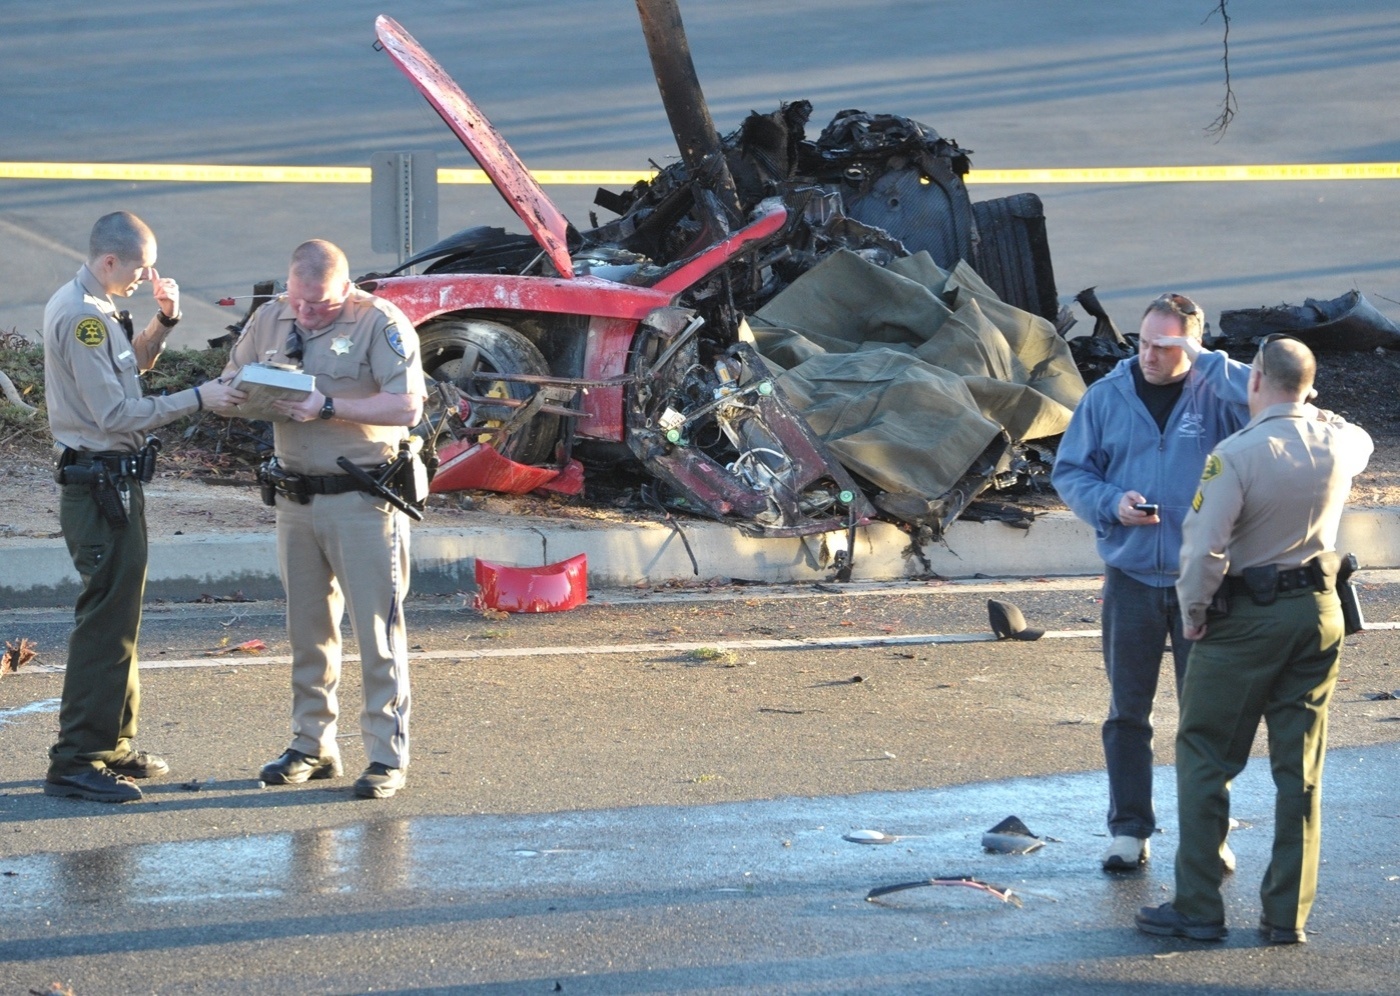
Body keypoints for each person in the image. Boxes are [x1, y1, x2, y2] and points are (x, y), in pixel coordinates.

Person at [1137, 336, 1372, 943]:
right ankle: (1286, 914)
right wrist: (1310, 403)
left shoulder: (1236, 453)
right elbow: (1355, 432)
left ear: (1256, 382)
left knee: (1206, 756)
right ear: (1310, 389)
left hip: (1245, 619)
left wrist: (1192, 612)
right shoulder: (1340, 441)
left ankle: (1197, 905)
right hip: (1319, 611)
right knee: (1301, 767)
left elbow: (1204, 546)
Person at [42, 211, 245, 803]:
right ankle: (77, 758)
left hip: (114, 483)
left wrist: (166, 318)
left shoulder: (97, 304)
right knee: (105, 623)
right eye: (139, 268)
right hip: (98, 485)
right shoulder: (82, 317)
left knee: (120, 619)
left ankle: (115, 742)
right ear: (110, 262)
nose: (145, 276)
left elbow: (132, 370)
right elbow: (114, 415)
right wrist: (199, 398)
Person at [215, 240, 426, 799]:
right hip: (295, 498)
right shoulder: (270, 316)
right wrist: (242, 393)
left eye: (321, 305)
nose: (306, 313)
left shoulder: (379, 322)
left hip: (361, 498)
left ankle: (386, 756)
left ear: (346, 288)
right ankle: (312, 744)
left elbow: (407, 407)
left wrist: (328, 406)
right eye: (298, 300)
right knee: (308, 632)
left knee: (377, 635)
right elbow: (230, 379)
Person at [1052, 292, 1252, 870]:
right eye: (1144, 343)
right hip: (1132, 578)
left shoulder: (1218, 392)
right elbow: (1072, 472)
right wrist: (1113, 504)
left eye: (1166, 347)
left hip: (1204, 579)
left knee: (1206, 717)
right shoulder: (1106, 396)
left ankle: (1208, 835)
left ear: (1192, 344)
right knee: (1126, 713)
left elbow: (1276, 399)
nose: (1151, 356)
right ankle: (1129, 830)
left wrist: (1208, 361)